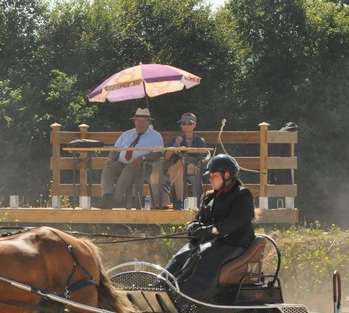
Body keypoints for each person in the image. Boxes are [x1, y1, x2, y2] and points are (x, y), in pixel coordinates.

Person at [163, 154, 255, 302]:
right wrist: (193, 225)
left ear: (227, 175)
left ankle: (191, 295)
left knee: (204, 256)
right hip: (212, 242)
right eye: (210, 176)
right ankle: (163, 284)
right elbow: (199, 218)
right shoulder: (209, 198)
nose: (211, 179)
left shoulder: (242, 195)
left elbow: (237, 220)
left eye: (214, 176)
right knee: (184, 253)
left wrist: (212, 229)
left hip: (234, 243)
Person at [94, 108, 163, 209]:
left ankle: (115, 199)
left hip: (143, 166)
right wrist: (111, 158)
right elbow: (116, 149)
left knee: (128, 170)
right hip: (121, 163)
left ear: (149, 122)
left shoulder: (155, 136)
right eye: (138, 120)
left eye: (144, 121)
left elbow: (158, 153)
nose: (141, 123)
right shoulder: (127, 134)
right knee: (108, 169)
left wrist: (143, 158)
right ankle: (106, 197)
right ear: (134, 121)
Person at [158, 112, 207, 209]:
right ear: (181, 125)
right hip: (180, 169)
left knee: (183, 162)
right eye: (184, 123)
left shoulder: (200, 140)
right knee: (180, 170)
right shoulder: (175, 139)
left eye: (189, 123)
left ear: (194, 125)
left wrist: (187, 150)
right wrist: (175, 145)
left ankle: (168, 181)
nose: (186, 125)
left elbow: (202, 155)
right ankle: (180, 202)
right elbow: (166, 157)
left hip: (194, 167)